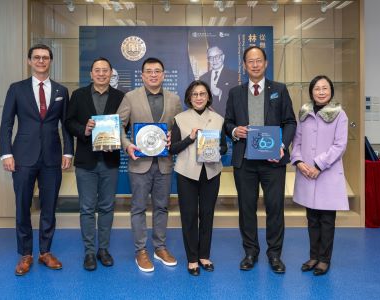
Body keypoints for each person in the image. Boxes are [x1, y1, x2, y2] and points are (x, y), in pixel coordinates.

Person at [0, 44, 74, 276]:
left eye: (45, 57)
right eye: (37, 57)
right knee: (22, 205)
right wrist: (6, 153)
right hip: (22, 157)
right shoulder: (16, 89)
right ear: (29, 61)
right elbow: (7, 123)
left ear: (50, 61)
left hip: (52, 157)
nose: (41, 61)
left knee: (49, 206)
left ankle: (45, 252)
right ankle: (26, 254)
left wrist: (68, 152)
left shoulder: (62, 90)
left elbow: (66, 125)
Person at [224, 46, 296, 274]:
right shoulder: (235, 92)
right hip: (245, 161)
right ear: (244, 66)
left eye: (258, 61)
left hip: (273, 162)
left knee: (275, 208)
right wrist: (235, 131)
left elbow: (290, 122)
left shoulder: (280, 90)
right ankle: (250, 252)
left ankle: (274, 255)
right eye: (250, 61)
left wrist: (282, 145)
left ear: (265, 64)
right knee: (246, 209)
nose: (254, 65)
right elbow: (227, 123)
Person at [116, 57, 182, 273]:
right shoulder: (130, 97)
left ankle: (160, 248)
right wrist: (126, 145)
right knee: (138, 208)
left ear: (164, 75)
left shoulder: (174, 99)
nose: (153, 75)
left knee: (162, 207)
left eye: (157, 71)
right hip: (139, 164)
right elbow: (118, 126)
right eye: (149, 71)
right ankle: (141, 250)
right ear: (142, 75)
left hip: (164, 163)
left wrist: (175, 137)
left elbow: (179, 129)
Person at [65, 58, 125, 271]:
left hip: (110, 160)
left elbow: (126, 125)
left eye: (105, 70)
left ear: (111, 73)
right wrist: (85, 130)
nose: (101, 74)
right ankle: (89, 252)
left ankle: (104, 250)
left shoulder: (121, 97)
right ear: (91, 74)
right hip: (86, 162)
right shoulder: (78, 95)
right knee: (87, 208)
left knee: (107, 207)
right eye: (97, 70)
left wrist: (116, 138)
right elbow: (69, 122)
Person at [291, 75, 349, 276]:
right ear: (311, 92)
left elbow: (340, 145)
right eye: (317, 88)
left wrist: (318, 164)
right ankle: (313, 256)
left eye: (325, 88)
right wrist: (299, 162)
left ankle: (324, 259)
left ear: (331, 91)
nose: (321, 92)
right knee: (312, 219)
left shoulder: (339, 114)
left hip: (327, 174)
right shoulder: (304, 112)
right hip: (306, 173)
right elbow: (296, 141)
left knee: (326, 220)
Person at [170, 80, 227, 276]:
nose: (199, 97)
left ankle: (204, 255)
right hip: (186, 172)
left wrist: (216, 148)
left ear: (208, 97)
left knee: (207, 214)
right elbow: (172, 148)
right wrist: (190, 139)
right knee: (189, 216)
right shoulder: (180, 118)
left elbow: (225, 148)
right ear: (189, 98)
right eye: (195, 94)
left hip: (211, 172)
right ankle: (192, 258)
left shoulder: (218, 119)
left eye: (202, 94)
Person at [200, 46, 238, 117]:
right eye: (211, 58)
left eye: (217, 56)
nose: (214, 60)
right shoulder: (202, 78)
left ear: (223, 57)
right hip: (207, 120)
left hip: (227, 120)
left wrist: (221, 93)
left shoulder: (234, 76)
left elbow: (237, 100)